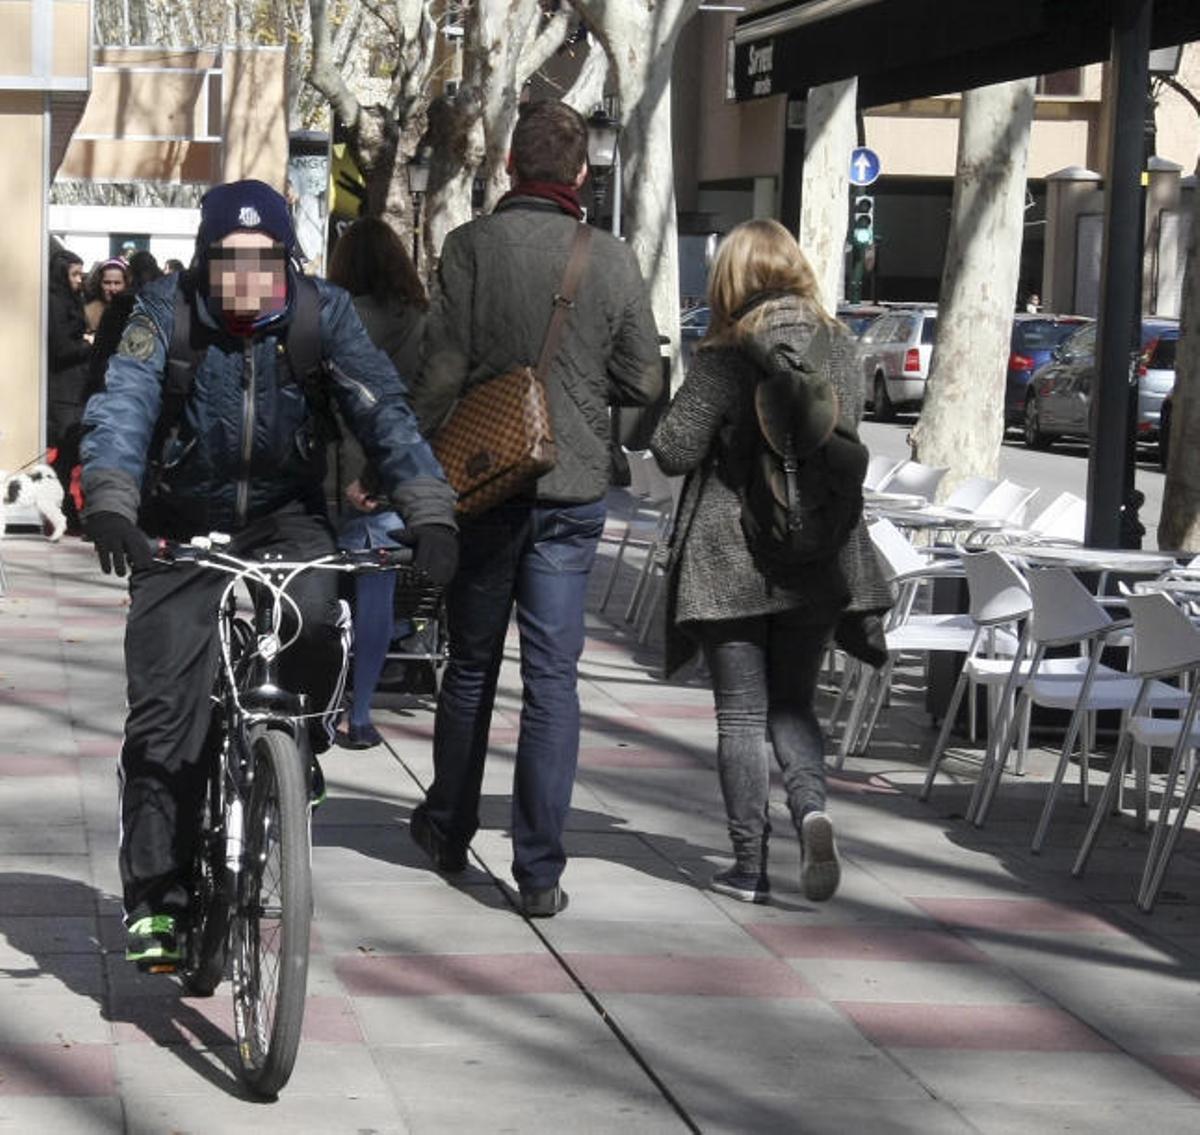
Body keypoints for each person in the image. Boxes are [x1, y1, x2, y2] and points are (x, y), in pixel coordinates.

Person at [79, 178, 459, 969]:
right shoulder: (164, 313)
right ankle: (159, 896)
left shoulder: (325, 315)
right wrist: (112, 502)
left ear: (288, 260)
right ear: (205, 261)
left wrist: (429, 509)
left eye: (266, 260)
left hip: (285, 514)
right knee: (165, 712)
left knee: (318, 619)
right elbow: (124, 405)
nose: (249, 278)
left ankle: (298, 743)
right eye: (231, 261)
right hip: (177, 517)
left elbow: (383, 409)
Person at [412, 99, 662, 918]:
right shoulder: (614, 260)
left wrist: (405, 457)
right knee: (553, 677)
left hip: (486, 484)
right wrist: (581, 389)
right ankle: (540, 869)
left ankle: (448, 828)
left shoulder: (469, 248)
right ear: (582, 173)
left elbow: (440, 373)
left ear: (510, 167)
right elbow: (645, 383)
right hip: (572, 488)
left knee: (473, 664)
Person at [650, 218, 884, 906]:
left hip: (729, 556)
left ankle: (748, 866)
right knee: (794, 705)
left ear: (730, 278)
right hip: (815, 555)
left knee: (741, 718)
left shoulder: (724, 355)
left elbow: (671, 449)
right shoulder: (839, 345)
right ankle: (811, 810)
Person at [326, 216, 430, 748]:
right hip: (395, 469)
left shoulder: (337, 316)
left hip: (336, 467)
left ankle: (323, 694)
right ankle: (358, 710)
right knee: (376, 592)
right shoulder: (421, 321)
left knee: (323, 588)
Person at [46, 248, 93, 531]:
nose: (79, 280)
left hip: (76, 385)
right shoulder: (55, 302)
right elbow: (60, 348)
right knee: (66, 454)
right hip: (65, 389)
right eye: (74, 274)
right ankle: (65, 513)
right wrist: (88, 344)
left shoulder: (71, 299)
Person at [83, 257, 130, 332]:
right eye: (107, 283)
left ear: (125, 284)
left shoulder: (135, 311)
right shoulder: (87, 313)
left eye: (117, 283)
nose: (112, 288)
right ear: (99, 283)